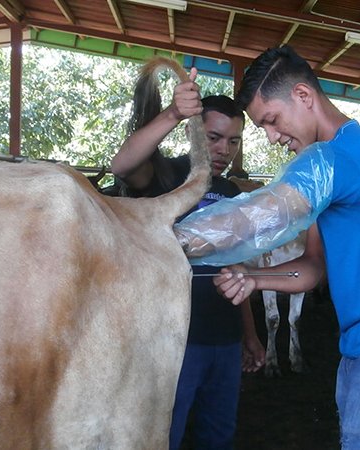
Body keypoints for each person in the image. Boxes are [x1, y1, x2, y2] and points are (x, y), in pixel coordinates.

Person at [173, 45, 360, 449]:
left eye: (272, 120)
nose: (271, 137)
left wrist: (159, 242)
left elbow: (259, 217)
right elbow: (314, 267)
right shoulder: (339, 168)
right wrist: (253, 277)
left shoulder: (339, 158)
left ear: (303, 96)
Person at [110, 66, 265, 450]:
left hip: (225, 341)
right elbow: (121, 166)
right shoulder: (167, 175)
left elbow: (237, 268)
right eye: (213, 137)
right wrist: (173, 113)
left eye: (233, 141)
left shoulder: (231, 192)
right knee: (166, 434)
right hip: (172, 340)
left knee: (219, 434)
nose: (223, 150)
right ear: (193, 130)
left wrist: (249, 335)